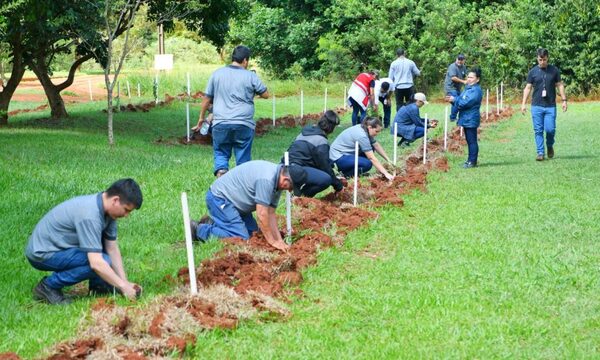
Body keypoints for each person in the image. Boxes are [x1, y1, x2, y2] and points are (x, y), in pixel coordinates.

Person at [25, 179, 143, 305]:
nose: (126, 215)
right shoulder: (90, 215)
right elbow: (96, 263)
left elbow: (111, 248)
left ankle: (100, 287)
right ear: (115, 200)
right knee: (101, 261)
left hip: (62, 247)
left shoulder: (108, 212)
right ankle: (48, 287)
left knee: (102, 249)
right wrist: (123, 287)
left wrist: (124, 282)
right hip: (42, 253)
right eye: (126, 210)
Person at [192, 160, 307, 251]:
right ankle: (199, 230)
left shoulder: (278, 183)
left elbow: (270, 213)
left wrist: (279, 240)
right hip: (220, 199)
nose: (290, 190)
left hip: (237, 204)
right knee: (241, 238)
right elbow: (262, 215)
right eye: (291, 187)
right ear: (285, 179)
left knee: (253, 234)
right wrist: (272, 242)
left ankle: (216, 224)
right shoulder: (267, 179)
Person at [193, 45, 269, 177]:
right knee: (243, 159)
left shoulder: (217, 74)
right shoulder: (250, 76)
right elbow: (266, 94)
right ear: (245, 60)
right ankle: (242, 187)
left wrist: (201, 118)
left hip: (220, 123)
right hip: (244, 124)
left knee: (221, 154)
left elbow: (206, 99)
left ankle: (221, 180)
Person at [283, 110, 346, 197]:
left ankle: (296, 192)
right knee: (326, 179)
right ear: (331, 127)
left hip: (284, 167)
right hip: (296, 170)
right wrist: (338, 186)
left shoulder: (303, 133)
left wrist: (336, 177)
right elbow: (325, 168)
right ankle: (302, 197)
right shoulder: (321, 141)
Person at [520, 48, 567, 161]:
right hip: (536, 106)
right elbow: (528, 88)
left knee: (550, 129)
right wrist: (523, 103)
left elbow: (560, 85)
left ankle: (549, 145)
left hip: (550, 106)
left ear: (548, 58)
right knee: (538, 130)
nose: (542, 62)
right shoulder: (532, 72)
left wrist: (564, 100)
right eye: (540, 60)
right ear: (537, 58)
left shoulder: (554, 70)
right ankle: (540, 152)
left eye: (544, 60)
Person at [330, 117, 394, 180]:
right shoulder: (362, 135)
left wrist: (388, 160)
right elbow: (371, 158)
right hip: (337, 158)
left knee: (371, 147)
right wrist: (386, 173)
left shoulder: (364, 128)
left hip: (346, 154)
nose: (377, 134)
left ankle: (356, 171)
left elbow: (376, 145)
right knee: (367, 164)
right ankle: (345, 175)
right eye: (376, 131)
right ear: (370, 127)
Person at [446, 69, 483, 168]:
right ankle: (469, 161)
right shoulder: (468, 88)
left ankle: (472, 162)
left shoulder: (476, 90)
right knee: (469, 140)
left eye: (471, 77)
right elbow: (461, 100)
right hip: (466, 118)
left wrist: (455, 100)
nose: (469, 79)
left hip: (471, 118)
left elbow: (465, 103)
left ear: (477, 79)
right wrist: (454, 100)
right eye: (468, 77)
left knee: (472, 141)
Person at [444, 54, 468, 121]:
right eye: (458, 59)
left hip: (458, 88)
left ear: (464, 61)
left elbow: (465, 76)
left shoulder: (463, 67)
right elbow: (453, 78)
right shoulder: (452, 66)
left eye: (461, 60)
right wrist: (463, 82)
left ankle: (456, 117)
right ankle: (453, 118)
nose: (459, 61)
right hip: (450, 88)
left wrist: (470, 81)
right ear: (456, 59)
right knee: (456, 101)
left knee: (458, 101)